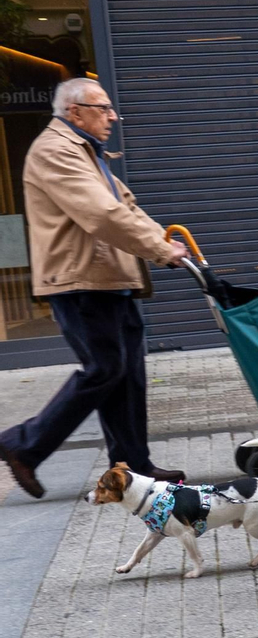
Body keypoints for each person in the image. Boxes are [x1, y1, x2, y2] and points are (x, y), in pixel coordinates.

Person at [0, 79, 190, 500]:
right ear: (75, 111)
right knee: (104, 370)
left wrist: (166, 242)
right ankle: (22, 445)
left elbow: (126, 209)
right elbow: (102, 214)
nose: (112, 116)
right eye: (103, 108)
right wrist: (161, 250)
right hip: (80, 281)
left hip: (110, 277)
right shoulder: (55, 151)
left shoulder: (87, 151)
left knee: (128, 376)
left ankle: (133, 465)